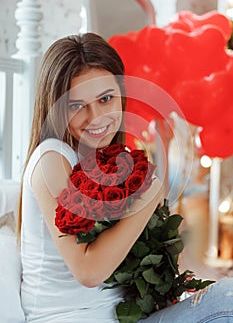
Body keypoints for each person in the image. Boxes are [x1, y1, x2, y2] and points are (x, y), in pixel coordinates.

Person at [17, 32, 233, 323]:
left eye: (106, 99)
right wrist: (147, 199)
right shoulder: (52, 159)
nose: (96, 117)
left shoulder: (105, 157)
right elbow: (88, 271)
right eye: (76, 105)